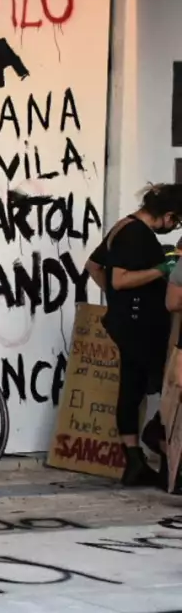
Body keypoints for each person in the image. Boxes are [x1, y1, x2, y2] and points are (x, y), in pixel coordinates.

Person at [91, 183, 182, 485]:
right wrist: (163, 268)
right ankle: (161, 442)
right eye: (176, 221)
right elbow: (119, 279)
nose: (174, 227)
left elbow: (93, 266)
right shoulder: (136, 234)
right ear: (168, 215)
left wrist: (116, 302)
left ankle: (134, 461)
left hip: (127, 323)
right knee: (169, 387)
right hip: (141, 325)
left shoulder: (123, 226)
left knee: (132, 388)